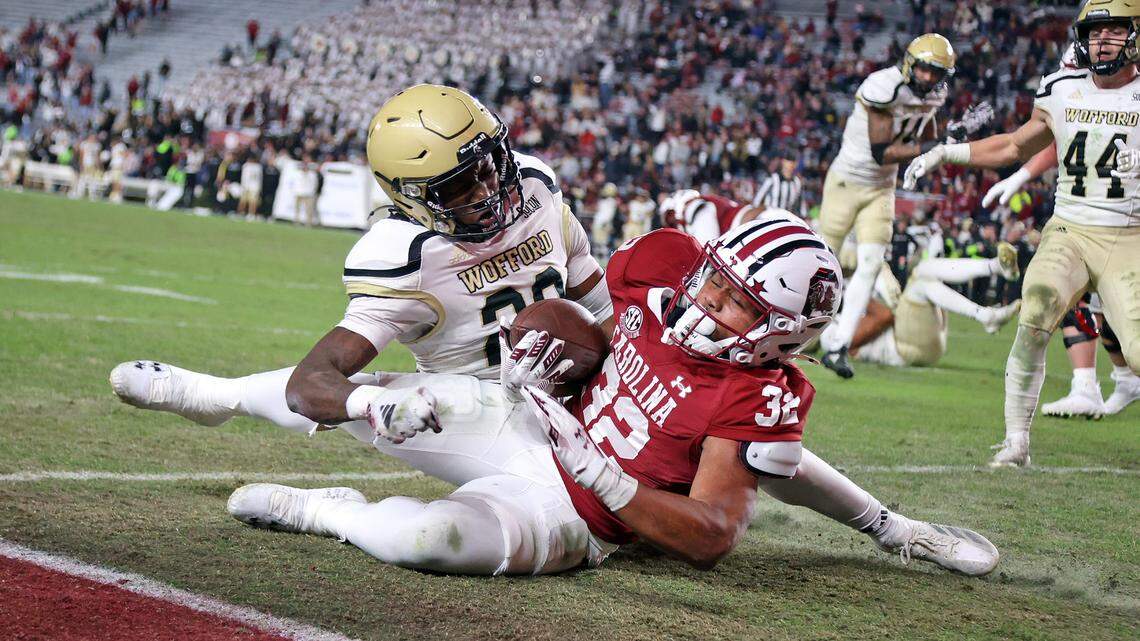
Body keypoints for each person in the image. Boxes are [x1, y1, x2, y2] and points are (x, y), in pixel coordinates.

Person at [224, 214, 999, 576]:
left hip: (582, 512)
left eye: (733, 303)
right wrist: (553, 347)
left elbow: (712, 534)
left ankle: (326, 509)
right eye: (711, 279)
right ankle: (214, 389)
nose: (703, 300)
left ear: (780, 334)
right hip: (525, 419)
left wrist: (608, 478)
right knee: (386, 396)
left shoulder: (759, 392)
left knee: (425, 544)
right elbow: (594, 322)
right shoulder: (666, 264)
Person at [110, 83, 612, 437]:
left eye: (488, 166)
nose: (486, 190)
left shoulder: (537, 188)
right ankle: (216, 396)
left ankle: (219, 396)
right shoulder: (406, 254)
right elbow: (316, 379)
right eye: (458, 185)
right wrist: (373, 406)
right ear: (412, 196)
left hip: (574, 391)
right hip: (469, 402)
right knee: (391, 395)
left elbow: (601, 303)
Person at [903, 2, 1140, 466]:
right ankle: (1016, 442)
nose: (1102, 41)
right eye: (1095, 32)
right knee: (1036, 308)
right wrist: (945, 154)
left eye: (1115, 32)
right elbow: (1014, 143)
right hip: (1070, 227)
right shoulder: (1062, 88)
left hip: (1130, 235)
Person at [817, 33, 957, 380]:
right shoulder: (882, 85)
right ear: (910, 63)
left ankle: (839, 344)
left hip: (882, 187)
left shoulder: (938, 94)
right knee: (822, 260)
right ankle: (791, 328)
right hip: (848, 181)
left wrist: (948, 136)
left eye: (935, 72)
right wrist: (935, 146)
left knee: (870, 263)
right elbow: (883, 151)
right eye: (924, 69)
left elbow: (926, 135)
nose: (927, 78)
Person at [849, 241, 1022, 368]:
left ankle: (994, 268)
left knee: (924, 271)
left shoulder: (831, 319)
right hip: (901, 350)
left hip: (917, 340)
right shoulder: (832, 334)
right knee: (920, 281)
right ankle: (986, 311)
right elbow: (885, 316)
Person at [658, 189, 764, 245]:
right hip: (753, 229)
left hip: (756, 224)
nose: (673, 223)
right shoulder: (703, 201)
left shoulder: (694, 207)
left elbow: (707, 246)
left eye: (670, 215)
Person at [237, 151, 263, 220]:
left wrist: (259, 188)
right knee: (243, 201)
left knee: (253, 202)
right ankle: (240, 213)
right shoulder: (246, 165)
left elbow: (259, 179)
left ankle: (251, 214)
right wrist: (243, 186)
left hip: (254, 187)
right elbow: (243, 177)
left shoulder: (258, 167)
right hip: (245, 186)